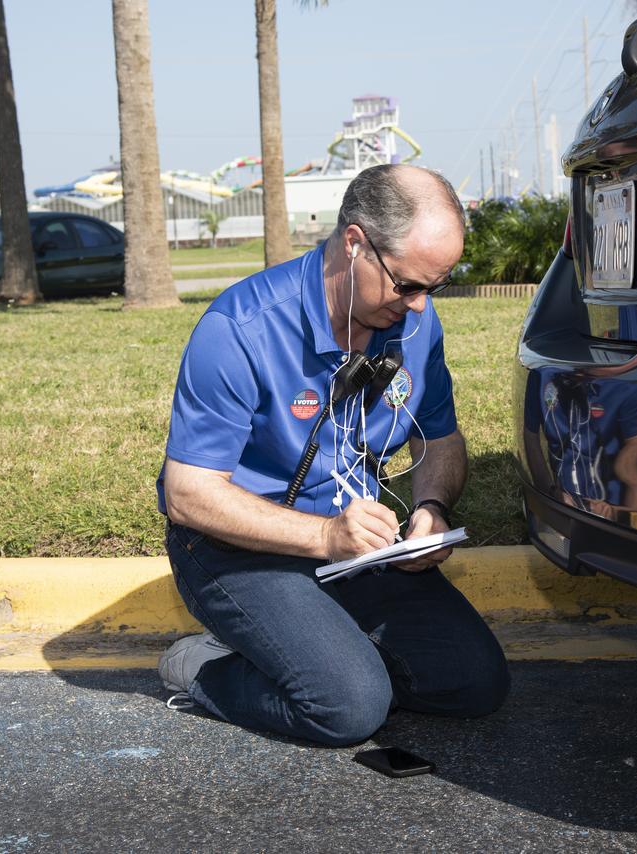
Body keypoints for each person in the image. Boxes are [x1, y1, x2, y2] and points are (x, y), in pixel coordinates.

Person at [155, 164, 510, 747]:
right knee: (349, 709)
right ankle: (207, 669)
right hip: (237, 550)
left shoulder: (415, 324)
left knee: (475, 683)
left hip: (356, 550)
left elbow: (439, 439)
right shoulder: (240, 327)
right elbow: (189, 495)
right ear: (354, 246)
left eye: (434, 288)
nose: (421, 307)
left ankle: (325, 652)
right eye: (408, 285)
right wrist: (324, 539)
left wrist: (432, 506)